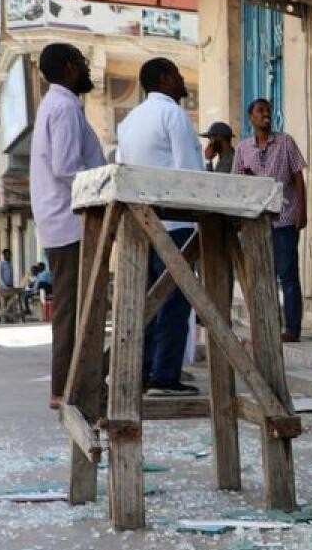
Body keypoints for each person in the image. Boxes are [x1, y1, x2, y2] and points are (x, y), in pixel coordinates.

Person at [116, 57, 203, 397]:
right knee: (174, 300)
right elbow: (188, 172)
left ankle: (146, 369)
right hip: (175, 222)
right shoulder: (172, 114)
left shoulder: (129, 121)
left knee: (148, 300)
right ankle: (165, 375)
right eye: (179, 75)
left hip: (141, 223)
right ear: (166, 78)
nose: (183, 82)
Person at [30, 42, 108, 410]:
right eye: (81, 63)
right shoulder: (62, 107)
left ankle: (76, 382)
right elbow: (66, 168)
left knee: (80, 307)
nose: (86, 70)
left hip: (66, 220)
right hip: (70, 221)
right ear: (68, 67)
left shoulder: (60, 105)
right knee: (73, 309)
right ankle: (64, 387)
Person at [233, 98, 309, 343]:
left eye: (268, 110)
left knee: (288, 274)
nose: (265, 114)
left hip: (284, 217)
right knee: (263, 276)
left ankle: (293, 328)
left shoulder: (285, 142)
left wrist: (302, 210)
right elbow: (237, 182)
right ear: (251, 117)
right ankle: (269, 325)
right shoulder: (243, 149)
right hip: (255, 222)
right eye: (260, 111)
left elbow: (298, 178)